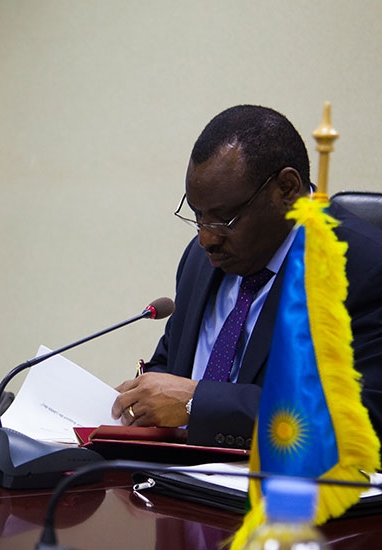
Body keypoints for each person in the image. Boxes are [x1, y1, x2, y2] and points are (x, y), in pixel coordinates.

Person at [111, 105, 382, 450]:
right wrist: (142, 397)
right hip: (175, 487)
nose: (206, 238)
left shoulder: (365, 269)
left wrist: (198, 403)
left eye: (224, 219)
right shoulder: (200, 261)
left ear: (287, 189)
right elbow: (172, 365)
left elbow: (357, 416)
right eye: (197, 216)